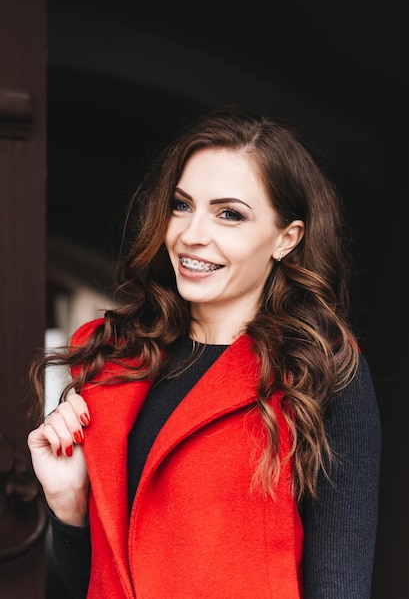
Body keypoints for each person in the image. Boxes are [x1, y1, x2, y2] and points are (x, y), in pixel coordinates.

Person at [27, 107, 381, 599]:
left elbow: (340, 584)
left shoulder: (323, 370)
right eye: (181, 205)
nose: (192, 234)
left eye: (229, 214)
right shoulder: (115, 357)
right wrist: (68, 503)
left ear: (286, 239)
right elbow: (90, 581)